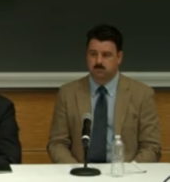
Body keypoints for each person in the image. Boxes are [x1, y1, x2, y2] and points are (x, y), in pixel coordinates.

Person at [47, 24, 161, 163]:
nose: (98, 61)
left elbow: (151, 147)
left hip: (125, 174)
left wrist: (128, 173)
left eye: (106, 55)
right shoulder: (68, 93)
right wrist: (77, 172)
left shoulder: (141, 94)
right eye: (93, 54)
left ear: (119, 57)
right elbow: (57, 144)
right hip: (81, 174)